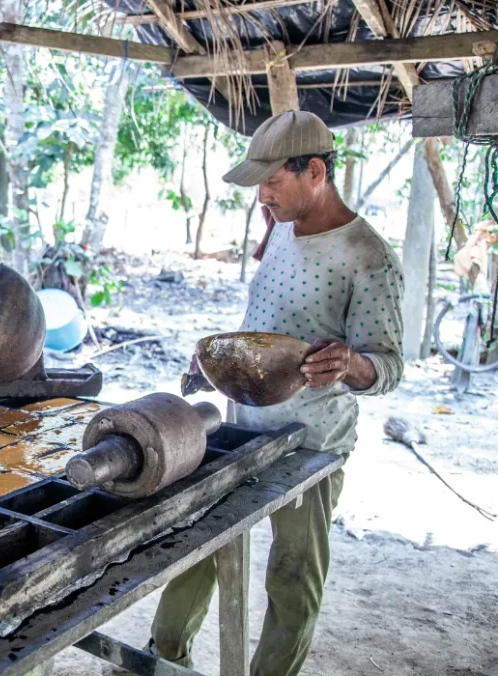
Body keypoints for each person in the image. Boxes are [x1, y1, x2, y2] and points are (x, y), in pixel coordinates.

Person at [152, 111, 404, 676]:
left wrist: (350, 364)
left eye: (272, 181)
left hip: (312, 446)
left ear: (315, 171)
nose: (262, 196)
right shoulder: (280, 228)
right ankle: (164, 657)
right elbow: (262, 325)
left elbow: (389, 367)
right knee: (196, 547)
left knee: (292, 578)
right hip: (241, 428)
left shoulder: (368, 256)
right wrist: (217, 364)